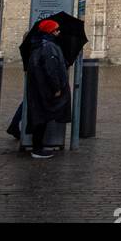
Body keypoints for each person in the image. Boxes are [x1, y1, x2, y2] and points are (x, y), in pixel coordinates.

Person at [25, 18, 70, 159]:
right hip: (45, 88)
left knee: (41, 116)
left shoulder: (40, 45)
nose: (59, 32)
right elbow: (51, 69)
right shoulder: (48, 47)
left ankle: (37, 146)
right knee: (41, 116)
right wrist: (56, 87)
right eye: (56, 29)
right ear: (51, 31)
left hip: (40, 87)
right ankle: (37, 149)